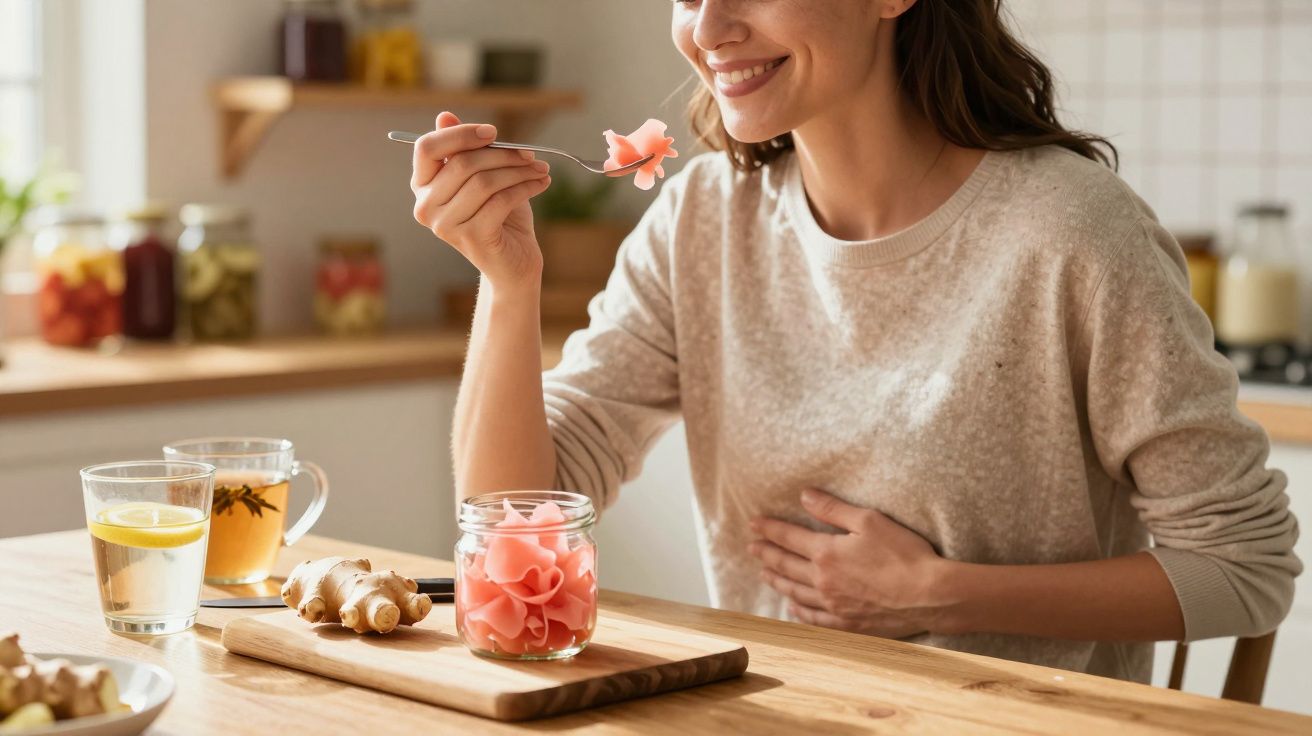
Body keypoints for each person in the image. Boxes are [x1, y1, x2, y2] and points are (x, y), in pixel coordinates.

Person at [407, 0, 1300, 681]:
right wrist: (507, 282)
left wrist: (940, 591)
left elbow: (1245, 568)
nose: (707, 27)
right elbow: (516, 521)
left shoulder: (1070, 232)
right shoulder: (701, 219)